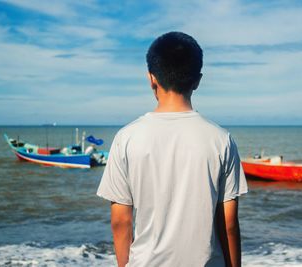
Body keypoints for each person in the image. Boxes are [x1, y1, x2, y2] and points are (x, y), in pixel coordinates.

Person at [97, 31, 248, 267]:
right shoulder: (221, 140)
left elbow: (121, 221)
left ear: (151, 78)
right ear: (197, 80)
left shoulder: (126, 138)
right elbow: (228, 223)